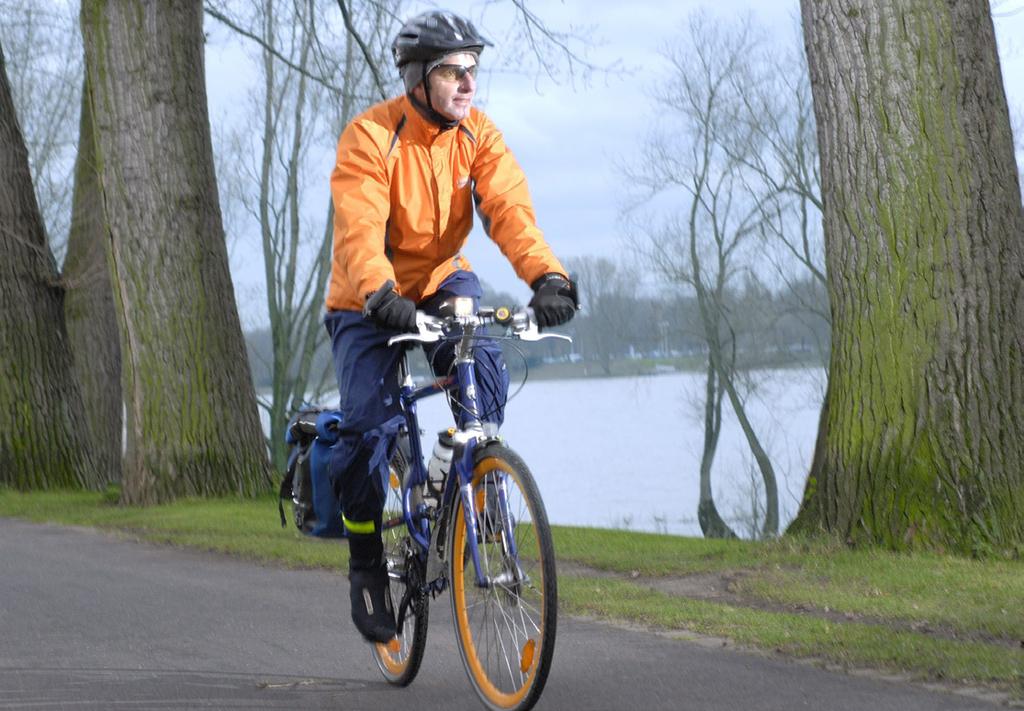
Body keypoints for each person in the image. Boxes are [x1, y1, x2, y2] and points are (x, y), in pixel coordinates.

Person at [324, 9, 577, 644]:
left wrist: (547, 278)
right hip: (367, 300)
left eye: (473, 70)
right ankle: (364, 564)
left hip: (440, 281)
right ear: (416, 78)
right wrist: (380, 295)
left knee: (485, 374)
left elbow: (510, 209)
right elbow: (359, 229)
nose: (468, 83)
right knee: (367, 428)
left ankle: (472, 487)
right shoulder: (370, 137)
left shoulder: (477, 136)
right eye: (453, 71)